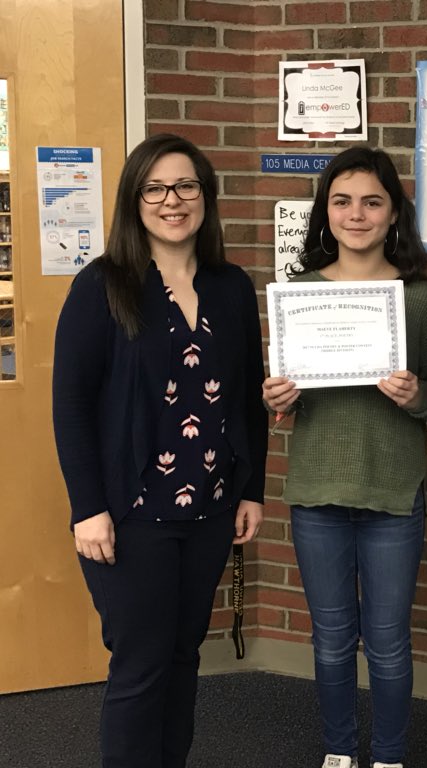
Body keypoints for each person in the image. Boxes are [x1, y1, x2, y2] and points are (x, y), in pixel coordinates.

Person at [52, 134, 267, 768]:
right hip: (131, 514)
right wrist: (87, 508)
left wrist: (250, 487)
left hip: (208, 510)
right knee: (141, 666)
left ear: (206, 196)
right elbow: (71, 406)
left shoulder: (231, 287)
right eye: (155, 188)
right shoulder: (102, 286)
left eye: (186, 187)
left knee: (182, 658)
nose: (172, 201)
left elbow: (246, 397)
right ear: (133, 199)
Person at [261, 147, 427, 768]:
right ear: (325, 212)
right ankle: (339, 754)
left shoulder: (421, 297)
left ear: (394, 211)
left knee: (391, 644)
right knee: (332, 642)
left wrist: (417, 394)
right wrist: (277, 397)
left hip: (393, 494)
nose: (356, 214)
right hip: (317, 491)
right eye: (341, 201)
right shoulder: (298, 295)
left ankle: (391, 756)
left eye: (372, 201)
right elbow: (283, 403)